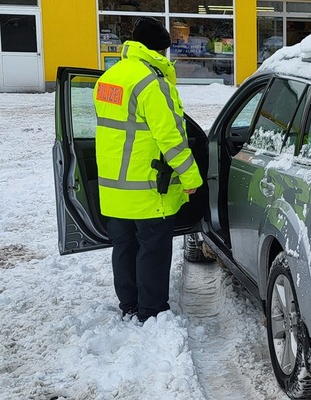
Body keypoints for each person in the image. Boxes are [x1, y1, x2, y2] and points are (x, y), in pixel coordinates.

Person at [93, 17, 202, 323]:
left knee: (124, 248)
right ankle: (151, 311)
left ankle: (128, 304)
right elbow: (171, 138)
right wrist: (190, 177)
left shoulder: (109, 78)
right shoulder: (152, 83)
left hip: (114, 188)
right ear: (158, 50)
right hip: (148, 187)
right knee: (153, 249)